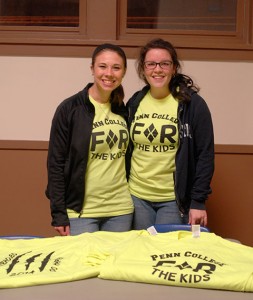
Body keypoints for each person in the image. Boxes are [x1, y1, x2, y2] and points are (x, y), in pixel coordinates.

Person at [126, 38, 214, 230]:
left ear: (174, 68)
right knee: (139, 254)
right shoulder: (135, 102)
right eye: (151, 64)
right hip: (136, 197)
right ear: (143, 69)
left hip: (173, 200)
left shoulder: (192, 104)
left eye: (164, 63)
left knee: (164, 255)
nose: (157, 69)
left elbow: (205, 156)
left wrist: (198, 201)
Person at [46, 43, 133, 236]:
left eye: (116, 68)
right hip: (82, 212)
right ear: (92, 68)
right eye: (102, 66)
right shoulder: (70, 109)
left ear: (123, 72)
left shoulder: (123, 110)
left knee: (116, 265)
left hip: (121, 210)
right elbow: (56, 164)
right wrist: (58, 213)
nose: (109, 73)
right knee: (84, 265)